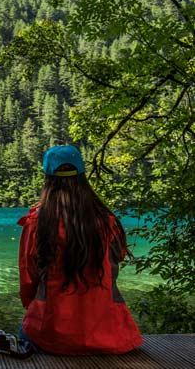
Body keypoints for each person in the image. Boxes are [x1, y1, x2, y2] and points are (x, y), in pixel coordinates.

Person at [17, 145, 142, 355]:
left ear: (47, 178)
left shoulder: (37, 224)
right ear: (83, 176)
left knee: (25, 331)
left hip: (52, 335)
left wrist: (36, 308)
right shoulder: (107, 222)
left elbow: (28, 278)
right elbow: (116, 261)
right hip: (111, 335)